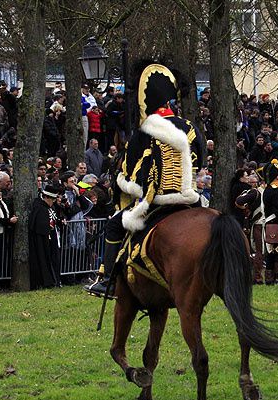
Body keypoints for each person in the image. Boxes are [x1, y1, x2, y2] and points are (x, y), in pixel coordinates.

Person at [85, 62, 205, 298]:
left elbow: (132, 172)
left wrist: (124, 183)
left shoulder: (144, 131)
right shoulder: (191, 128)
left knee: (114, 224)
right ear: (171, 102)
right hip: (190, 198)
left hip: (158, 200)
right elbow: (200, 160)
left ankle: (107, 279)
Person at [29, 184, 63, 289]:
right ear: (47, 197)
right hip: (43, 239)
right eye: (52, 200)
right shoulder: (39, 207)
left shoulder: (50, 207)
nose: (53, 202)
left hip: (52, 236)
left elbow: (54, 218)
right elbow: (38, 224)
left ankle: (55, 280)